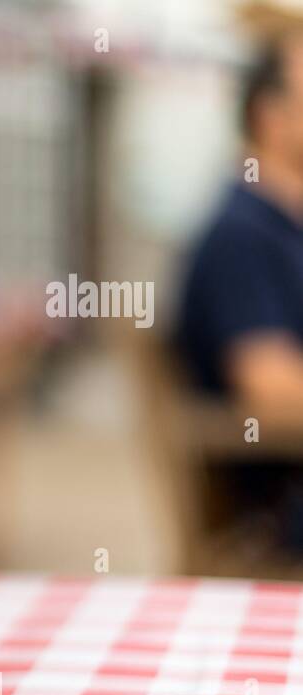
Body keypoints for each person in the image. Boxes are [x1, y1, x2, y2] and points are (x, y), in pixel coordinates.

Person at [174, 33, 303, 554]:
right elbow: (270, 391)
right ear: (270, 115)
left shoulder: (278, 228)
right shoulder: (242, 235)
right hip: (279, 512)